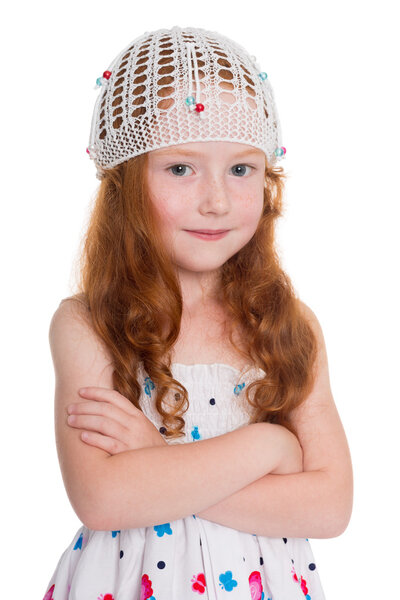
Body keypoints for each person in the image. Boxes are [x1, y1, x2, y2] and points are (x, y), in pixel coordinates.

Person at [42, 25, 353, 600]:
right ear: (126, 185)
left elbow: (330, 506)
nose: (216, 200)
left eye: (241, 169)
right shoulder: (89, 323)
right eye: (180, 169)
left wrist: (159, 462)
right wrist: (269, 449)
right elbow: (105, 499)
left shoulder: (289, 326)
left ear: (268, 178)